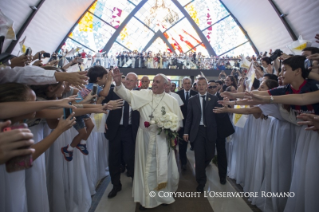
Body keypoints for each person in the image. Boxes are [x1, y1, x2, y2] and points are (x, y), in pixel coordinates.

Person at [112, 68, 183, 209]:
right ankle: (147, 199)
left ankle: (162, 196)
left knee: (162, 168)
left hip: (163, 140)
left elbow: (178, 122)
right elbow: (127, 95)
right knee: (145, 168)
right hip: (144, 138)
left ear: (165, 85)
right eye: (153, 81)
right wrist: (119, 84)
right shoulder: (143, 94)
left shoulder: (172, 100)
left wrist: (170, 128)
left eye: (157, 82)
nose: (154, 84)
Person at [183, 77, 234, 192]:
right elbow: (189, 118)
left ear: (206, 86)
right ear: (196, 86)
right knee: (199, 156)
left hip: (211, 131)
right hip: (198, 131)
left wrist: (226, 108)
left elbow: (220, 115)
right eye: (199, 84)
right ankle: (201, 181)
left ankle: (201, 167)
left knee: (210, 154)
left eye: (203, 84)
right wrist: (186, 131)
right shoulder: (192, 100)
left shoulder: (214, 98)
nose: (201, 86)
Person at [102, 72, 139, 198]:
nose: (128, 82)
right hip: (115, 130)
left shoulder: (139, 94)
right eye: (127, 79)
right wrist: (102, 120)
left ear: (136, 83)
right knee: (114, 159)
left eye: (131, 80)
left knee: (130, 158)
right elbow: (100, 104)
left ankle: (136, 182)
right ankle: (116, 185)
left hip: (130, 130)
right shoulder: (113, 91)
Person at [176, 77, 197, 169]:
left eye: (189, 83)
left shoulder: (196, 94)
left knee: (196, 145)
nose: (187, 85)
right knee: (182, 145)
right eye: (185, 83)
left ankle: (198, 163)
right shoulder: (178, 94)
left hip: (194, 124)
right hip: (182, 123)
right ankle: (183, 162)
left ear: (191, 84)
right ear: (182, 84)